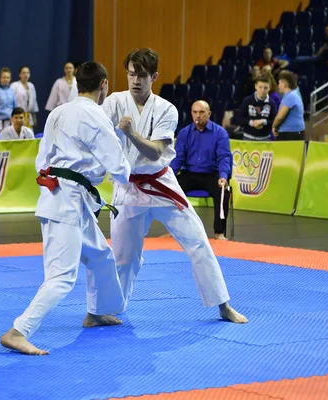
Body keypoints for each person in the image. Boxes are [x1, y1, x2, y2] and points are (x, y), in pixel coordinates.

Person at [101, 48, 247, 323]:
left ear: (154, 76)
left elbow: (156, 152)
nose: (135, 80)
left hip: (161, 183)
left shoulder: (166, 108)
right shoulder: (113, 103)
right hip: (129, 187)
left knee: (198, 242)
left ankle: (223, 304)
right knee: (124, 257)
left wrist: (130, 133)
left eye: (142, 75)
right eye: (131, 74)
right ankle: (111, 308)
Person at [0, 61, 131, 355]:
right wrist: (125, 154)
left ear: (76, 85)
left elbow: (42, 159)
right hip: (67, 202)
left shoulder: (58, 112)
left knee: (100, 256)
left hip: (60, 194)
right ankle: (18, 330)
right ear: (104, 86)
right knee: (61, 277)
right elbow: (120, 168)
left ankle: (97, 312)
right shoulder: (95, 114)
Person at [170, 100, 232, 240]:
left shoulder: (220, 133)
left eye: (202, 112)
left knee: (223, 192)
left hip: (211, 174)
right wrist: (169, 176)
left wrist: (223, 177)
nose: (198, 116)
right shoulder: (184, 133)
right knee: (172, 189)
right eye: (195, 112)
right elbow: (178, 158)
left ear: (209, 114)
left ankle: (219, 233)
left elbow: (224, 157)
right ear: (191, 114)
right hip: (190, 174)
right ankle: (173, 231)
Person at [232, 74, 277, 141]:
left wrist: (263, 121)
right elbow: (239, 119)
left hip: (265, 138)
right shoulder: (247, 100)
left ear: (269, 87)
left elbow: (275, 122)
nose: (262, 90)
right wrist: (252, 123)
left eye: (265, 88)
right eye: (260, 87)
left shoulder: (272, 103)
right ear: (256, 86)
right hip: (248, 138)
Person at [273, 71, 305, 141]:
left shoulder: (290, 96)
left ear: (285, 84)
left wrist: (274, 126)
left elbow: (280, 117)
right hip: (291, 133)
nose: (278, 85)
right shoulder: (291, 94)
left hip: (290, 134)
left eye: (279, 83)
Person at [0, 68, 18, 135]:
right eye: (4, 77)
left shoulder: (12, 91)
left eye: (8, 77)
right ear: (0, 78)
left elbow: (15, 107)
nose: (6, 79)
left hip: (9, 121)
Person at [10, 66, 39, 130]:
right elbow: (11, 103)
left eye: (27, 73)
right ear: (20, 74)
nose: (26, 75)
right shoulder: (14, 85)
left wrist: (34, 118)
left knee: (29, 134)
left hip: (29, 117)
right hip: (18, 116)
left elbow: (34, 103)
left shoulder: (31, 86)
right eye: (23, 73)